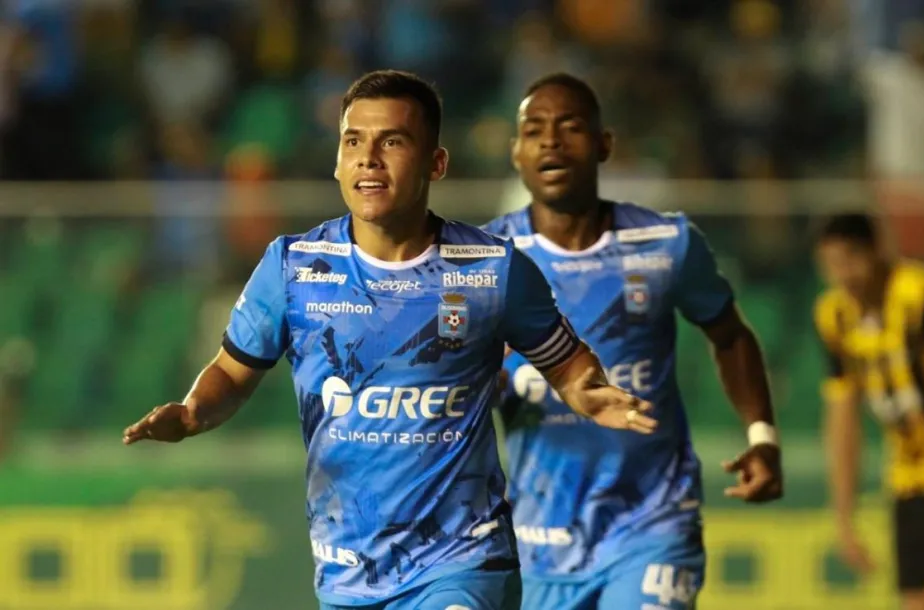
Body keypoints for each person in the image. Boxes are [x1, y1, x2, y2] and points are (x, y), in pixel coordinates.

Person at [122, 70, 658, 610]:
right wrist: (193, 414)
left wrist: (592, 392)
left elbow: (566, 365)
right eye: (353, 141)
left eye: (392, 142)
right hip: (347, 573)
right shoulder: (294, 268)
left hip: (463, 561)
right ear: (337, 161)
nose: (368, 158)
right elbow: (233, 373)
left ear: (436, 163)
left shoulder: (493, 271)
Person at [482, 73, 783, 610]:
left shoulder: (666, 244)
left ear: (604, 145)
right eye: (534, 130)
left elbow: (730, 334)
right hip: (540, 541)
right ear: (516, 153)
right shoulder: (485, 262)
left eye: (570, 127)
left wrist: (762, 435)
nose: (550, 141)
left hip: (653, 520)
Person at [814, 213, 924, 610]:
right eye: (832, 265)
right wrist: (844, 515)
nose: (845, 276)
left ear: (878, 252)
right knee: (919, 602)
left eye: (851, 260)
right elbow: (843, 418)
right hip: (911, 481)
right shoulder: (834, 317)